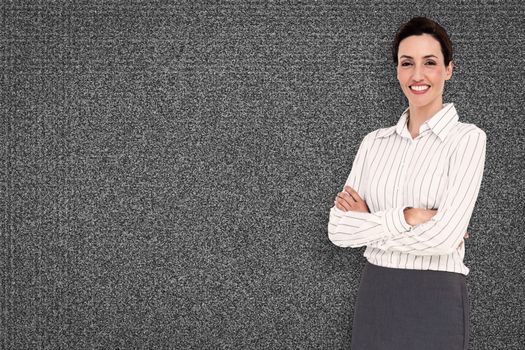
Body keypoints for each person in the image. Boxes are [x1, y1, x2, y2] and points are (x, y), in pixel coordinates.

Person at [327, 16, 486, 350]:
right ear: (397, 71)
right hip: (377, 292)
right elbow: (339, 231)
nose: (417, 75)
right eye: (406, 63)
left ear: (448, 69)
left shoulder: (467, 139)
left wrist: (371, 223)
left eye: (430, 62)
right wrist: (409, 216)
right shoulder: (374, 143)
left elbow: (444, 239)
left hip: (437, 296)